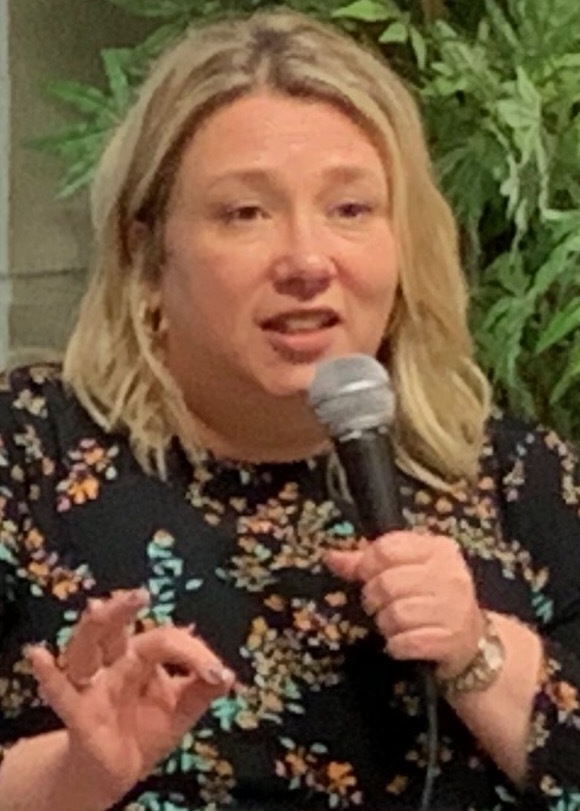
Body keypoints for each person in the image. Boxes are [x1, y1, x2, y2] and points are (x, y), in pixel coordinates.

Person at [0, 8, 579, 811]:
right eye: (245, 213)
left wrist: (479, 652)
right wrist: (77, 776)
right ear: (146, 252)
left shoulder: (519, 478)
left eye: (351, 210)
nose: (308, 260)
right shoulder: (29, 455)